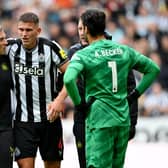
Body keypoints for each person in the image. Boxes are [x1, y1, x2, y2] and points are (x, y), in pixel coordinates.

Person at [64, 9, 160, 168]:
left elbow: (68, 79)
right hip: (122, 119)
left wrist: (79, 104)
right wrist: (135, 95)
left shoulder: (84, 54)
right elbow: (153, 69)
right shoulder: (123, 50)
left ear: (86, 29)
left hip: (100, 120)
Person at [67, 18, 138, 168]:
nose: (82, 33)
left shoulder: (117, 51)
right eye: (79, 29)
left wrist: (133, 120)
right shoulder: (74, 52)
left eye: (84, 29)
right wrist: (79, 106)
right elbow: (66, 82)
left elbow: (130, 87)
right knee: (85, 163)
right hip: (83, 120)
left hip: (112, 117)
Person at [3, 12, 69, 168]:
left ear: (38, 31)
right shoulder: (10, 47)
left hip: (50, 119)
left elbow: (72, 75)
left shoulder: (51, 48)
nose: (24, 34)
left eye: (28, 30)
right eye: (21, 29)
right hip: (22, 122)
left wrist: (59, 100)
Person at [0, 27, 14, 168]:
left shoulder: (7, 60)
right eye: (1, 39)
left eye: (5, 38)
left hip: (5, 128)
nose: (5, 42)